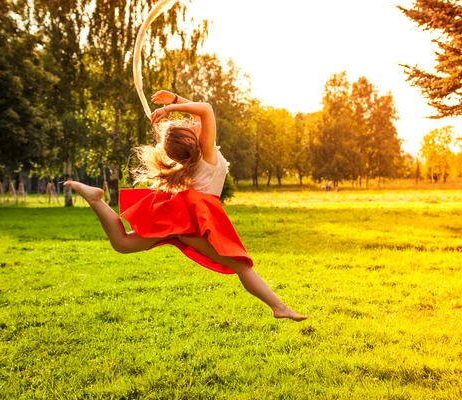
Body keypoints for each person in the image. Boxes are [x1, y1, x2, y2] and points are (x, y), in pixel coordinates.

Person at [65, 90, 306, 321]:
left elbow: (199, 113)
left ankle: (96, 199)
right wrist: (171, 106)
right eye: (190, 124)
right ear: (193, 139)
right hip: (192, 225)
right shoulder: (207, 153)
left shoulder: (200, 155)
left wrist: (175, 100)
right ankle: (279, 307)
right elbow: (206, 110)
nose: (193, 121)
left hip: (183, 221)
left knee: (123, 243)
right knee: (240, 265)